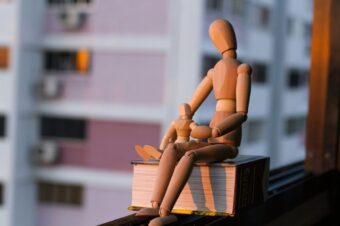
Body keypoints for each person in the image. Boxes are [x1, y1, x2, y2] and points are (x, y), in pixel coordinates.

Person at [137, 19, 252, 226]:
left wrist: (216, 130)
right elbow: (192, 104)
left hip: (227, 142)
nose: (220, 40)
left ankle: (165, 211)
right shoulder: (214, 70)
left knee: (190, 155)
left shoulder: (242, 69)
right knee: (173, 148)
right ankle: (154, 203)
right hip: (210, 136)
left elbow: (242, 113)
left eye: (220, 35)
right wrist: (185, 115)